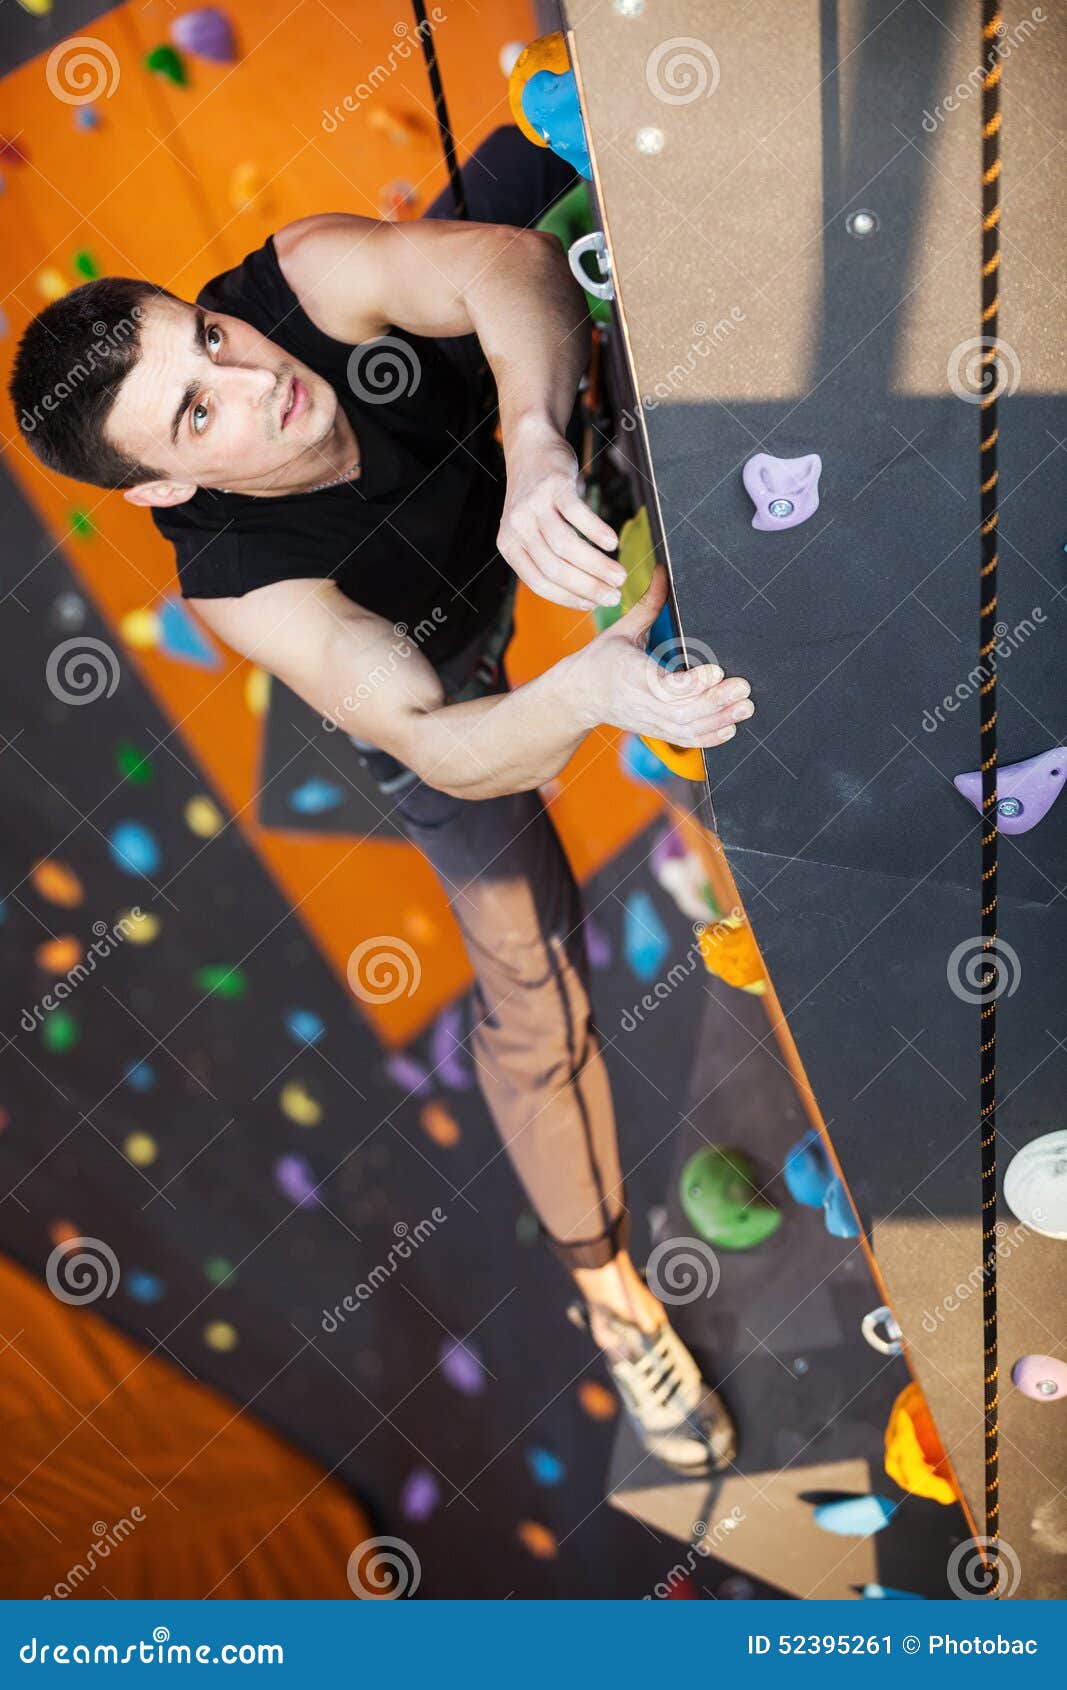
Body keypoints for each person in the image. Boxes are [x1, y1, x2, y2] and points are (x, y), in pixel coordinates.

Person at [9, 128, 754, 1475]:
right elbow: (443, 743)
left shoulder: (303, 278)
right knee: (532, 991)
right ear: (167, 484)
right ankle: (611, 1295)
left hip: (525, 440)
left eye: (209, 339)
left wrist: (537, 439)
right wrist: (587, 692)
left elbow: (508, 268)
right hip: (450, 665)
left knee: (555, 167)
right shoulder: (245, 584)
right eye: (196, 413)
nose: (255, 379)